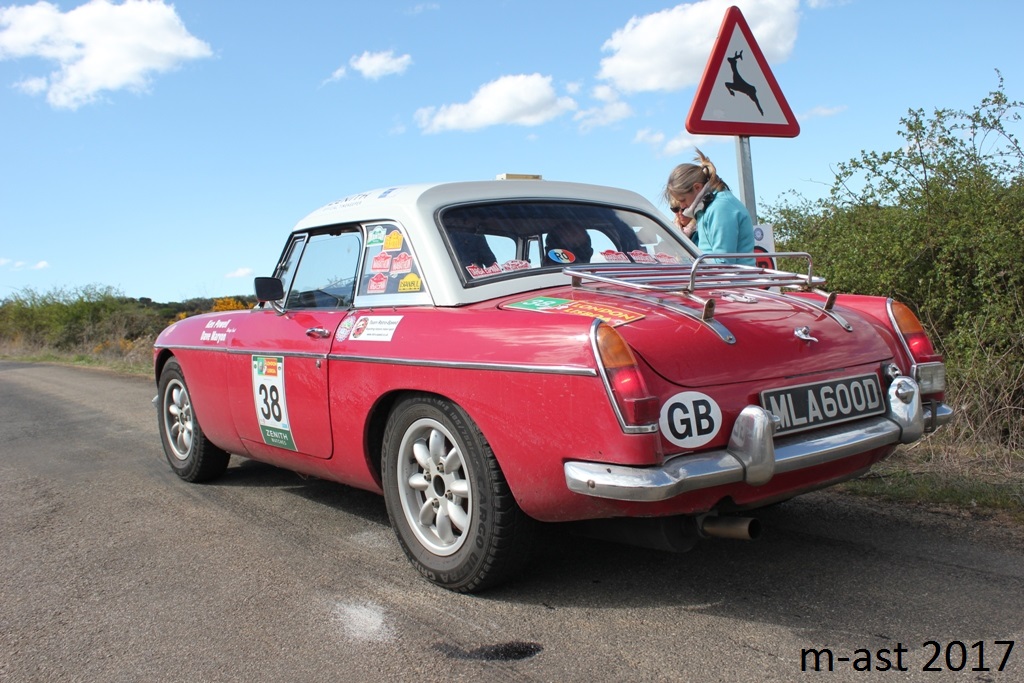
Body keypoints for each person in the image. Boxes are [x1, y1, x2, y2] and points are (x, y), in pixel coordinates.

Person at [664, 148, 755, 265]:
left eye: (683, 200)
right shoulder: (708, 208)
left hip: (733, 281)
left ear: (697, 187)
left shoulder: (721, 208)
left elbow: (723, 263)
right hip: (718, 280)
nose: (682, 206)